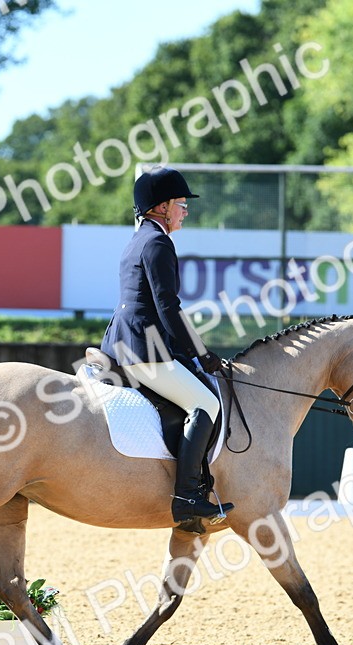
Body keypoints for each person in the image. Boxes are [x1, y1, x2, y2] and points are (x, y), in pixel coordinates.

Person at [99, 166, 234, 529]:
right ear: (161, 207)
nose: (185, 210)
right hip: (143, 348)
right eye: (180, 204)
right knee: (205, 402)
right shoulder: (159, 243)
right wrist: (201, 353)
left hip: (123, 341)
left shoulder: (138, 239)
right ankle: (187, 498)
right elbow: (168, 308)